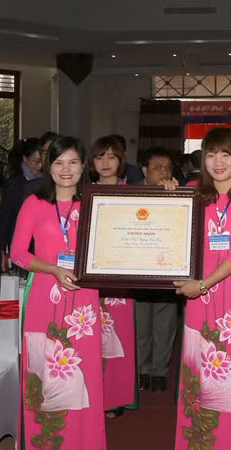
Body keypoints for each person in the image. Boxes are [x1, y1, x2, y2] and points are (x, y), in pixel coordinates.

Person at [161, 128, 231, 450]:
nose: (217, 162)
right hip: (198, 298)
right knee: (199, 375)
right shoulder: (192, 193)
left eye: (225, 154)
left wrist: (203, 284)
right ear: (202, 159)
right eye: (210, 154)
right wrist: (167, 191)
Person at [10, 136, 106, 449]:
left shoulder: (96, 202)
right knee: (45, 375)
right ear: (48, 166)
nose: (66, 169)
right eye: (58, 162)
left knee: (83, 376)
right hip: (43, 298)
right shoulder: (33, 203)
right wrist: (53, 269)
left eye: (73, 162)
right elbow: (18, 254)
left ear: (84, 166)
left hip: (84, 302)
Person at [88, 135, 137, 418]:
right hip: (89, 276)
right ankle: (92, 396)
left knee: (118, 339)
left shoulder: (135, 192)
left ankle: (114, 398)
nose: (105, 163)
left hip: (121, 276)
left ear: (121, 161)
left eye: (111, 157)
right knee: (88, 336)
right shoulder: (82, 193)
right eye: (99, 157)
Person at [134, 146, 179, 392]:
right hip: (138, 268)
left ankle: (159, 370)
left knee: (165, 322)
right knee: (141, 322)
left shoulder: (178, 193)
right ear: (144, 170)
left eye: (167, 167)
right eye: (157, 167)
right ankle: (142, 369)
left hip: (168, 268)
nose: (163, 172)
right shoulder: (131, 193)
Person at [0, 133, 57, 255]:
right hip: (24, 245)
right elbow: (6, 219)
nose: (40, 165)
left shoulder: (52, 181)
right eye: (36, 161)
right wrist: (1, 248)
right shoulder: (15, 184)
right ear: (25, 158)